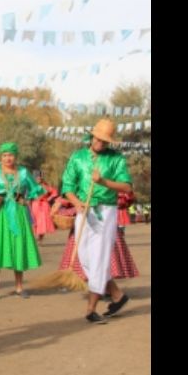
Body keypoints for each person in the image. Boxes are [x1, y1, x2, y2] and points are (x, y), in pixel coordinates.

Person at [61, 118, 133, 324]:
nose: (101, 143)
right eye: (98, 139)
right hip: (83, 210)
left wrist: (103, 182)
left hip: (105, 210)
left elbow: (127, 187)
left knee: (99, 258)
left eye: (105, 141)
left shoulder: (116, 159)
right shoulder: (78, 157)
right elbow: (67, 186)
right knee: (85, 258)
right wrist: (76, 203)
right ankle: (118, 296)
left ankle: (91, 309)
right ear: (92, 136)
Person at [0, 142, 44, 300]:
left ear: (16, 156)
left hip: (18, 213)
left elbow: (36, 190)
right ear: (1, 157)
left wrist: (25, 199)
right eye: (4, 155)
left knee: (18, 246)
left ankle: (19, 287)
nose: (8, 158)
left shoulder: (24, 173)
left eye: (10, 155)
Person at [30, 170, 58, 245]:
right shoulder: (32, 186)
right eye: (37, 178)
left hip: (44, 205)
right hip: (35, 205)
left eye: (40, 178)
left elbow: (55, 192)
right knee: (35, 222)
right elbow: (28, 196)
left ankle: (40, 238)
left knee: (43, 223)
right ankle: (35, 238)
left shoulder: (45, 186)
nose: (38, 179)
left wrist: (48, 199)